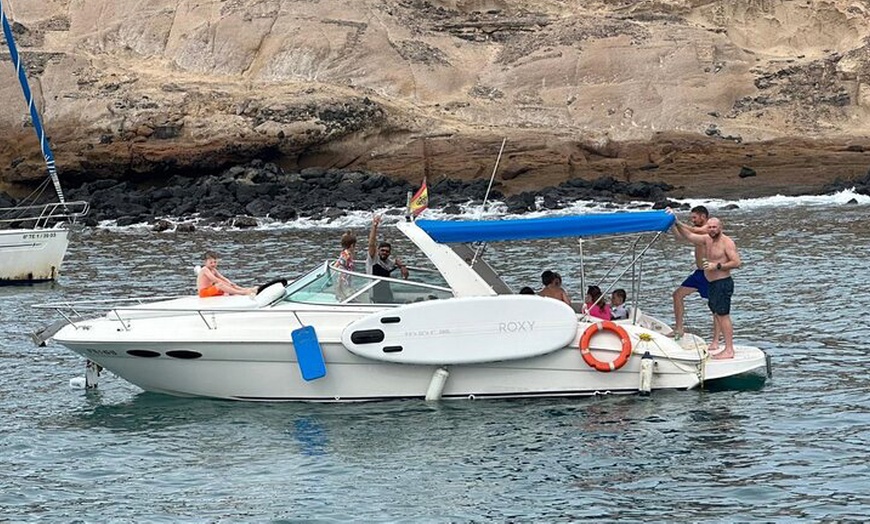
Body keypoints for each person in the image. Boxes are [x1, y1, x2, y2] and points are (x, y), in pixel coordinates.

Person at [670, 211, 741, 359]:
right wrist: (675, 222)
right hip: (712, 282)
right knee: (717, 312)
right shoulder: (706, 239)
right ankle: (680, 329)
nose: (712, 229)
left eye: (715, 227)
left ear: (720, 227)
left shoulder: (727, 242)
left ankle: (729, 349)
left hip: (722, 282)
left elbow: (736, 262)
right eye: (710, 227)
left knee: (722, 315)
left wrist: (717, 266)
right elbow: (689, 236)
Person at [671, 205, 711, 338]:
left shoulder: (709, 228)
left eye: (694, 217)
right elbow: (680, 237)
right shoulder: (697, 231)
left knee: (715, 307)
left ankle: (718, 337)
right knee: (677, 295)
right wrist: (672, 223)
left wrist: (677, 221)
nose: (692, 220)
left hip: (709, 274)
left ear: (703, 217)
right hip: (698, 273)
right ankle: (679, 329)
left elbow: (693, 231)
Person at [366, 214, 409, 303]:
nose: (384, 253)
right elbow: (371, 244)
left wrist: (402, 266)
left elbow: (397, 262)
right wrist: (374, 226)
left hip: (387, 294)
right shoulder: (373, 259)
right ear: (378, 251)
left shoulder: (389, 262)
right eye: (382, 250)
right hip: (375, 296)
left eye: (387, 251)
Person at [333, 230, 357, 300]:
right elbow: (339, 265)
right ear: (352, 245)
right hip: (344, 280)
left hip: (347, 279)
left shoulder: (345, 253)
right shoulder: (346, 255)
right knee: (345, 295)